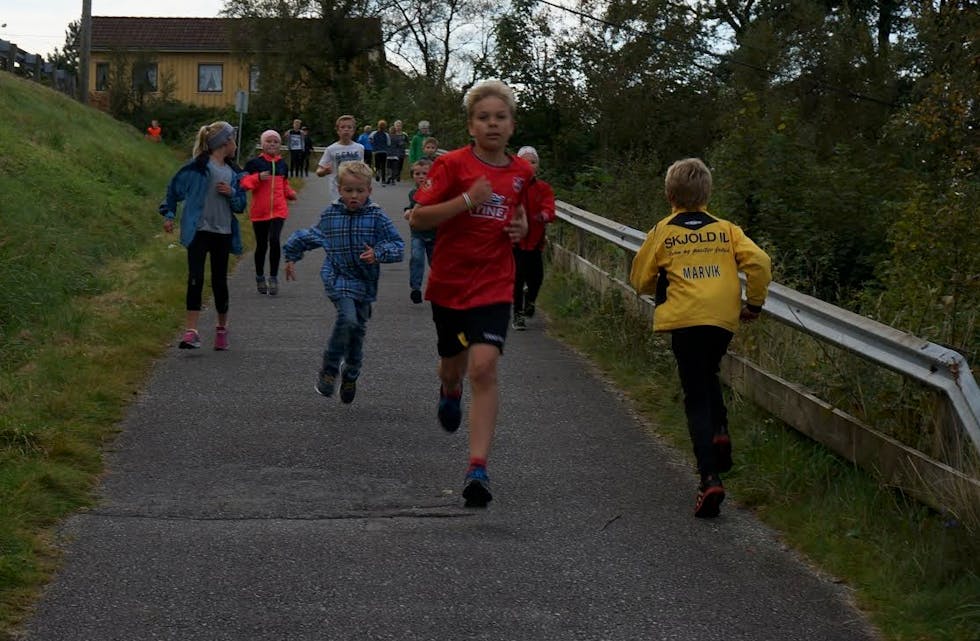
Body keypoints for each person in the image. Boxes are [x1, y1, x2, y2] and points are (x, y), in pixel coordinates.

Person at [408, 79, 533, 508]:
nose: (493, 124)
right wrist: (466, 200)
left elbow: (522, 216)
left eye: (500, 117)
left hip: (495, 283)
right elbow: (418, 219)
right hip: (449, 284)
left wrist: (524, 227)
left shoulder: (522, 172)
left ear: (512, 125)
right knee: (453, 367)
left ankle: (476, 467)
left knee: (484, 367)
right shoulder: (451, 166)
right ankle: (448, 391)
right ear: (471, 125)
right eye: (484, 118)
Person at [629, 157, 772, 519]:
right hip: (722, 318)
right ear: (707, 191)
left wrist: (660, 281)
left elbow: (640, 280)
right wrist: (753, 303)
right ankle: (720, 430)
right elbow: (760, 263)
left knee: (695, 394)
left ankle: (709, 478)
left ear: (669, 194)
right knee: (708, 372)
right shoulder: (727, 230)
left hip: (685, 317)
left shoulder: (663, 231)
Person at [283, 161, 404, 404]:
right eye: (349, 190)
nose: (354, 196)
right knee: (347, 319)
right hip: (337, 277)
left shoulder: (377, 217)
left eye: (360, 191)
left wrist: (378, 253)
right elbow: (311, 235)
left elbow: (398, 245)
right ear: (339, 189)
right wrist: (291, 255)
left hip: (365, 282)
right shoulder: (331, 214)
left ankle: (350, 374)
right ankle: (328, 370)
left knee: (357, 332)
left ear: (369, 190)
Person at [158, 121, 246, 351]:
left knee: (219, 281)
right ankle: (191, 332)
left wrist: (232, 192)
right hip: (199, 231)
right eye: (233, 140)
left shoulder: (234, 173)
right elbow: (173, 189)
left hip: (223, 232)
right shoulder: (196, 168)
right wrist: (168, 214)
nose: (235, 145)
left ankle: (221, 329)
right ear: (224, 143)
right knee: (195, 278)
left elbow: (240, 206)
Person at [241, 130, 297, 296]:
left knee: (274, 240)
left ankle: (273, 277)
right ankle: (259, 276)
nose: (272, 145)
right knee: (261, 245)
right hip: (260, 211)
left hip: (278, 210)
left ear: (280, 145)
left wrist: (290, 193)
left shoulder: (282, 165)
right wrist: (257, 178)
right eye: (269, 141)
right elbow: (244, 184)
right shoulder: (254, 164)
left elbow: (284, 184)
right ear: (262, 144)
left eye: (275, 142)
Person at [511, 146, 556, 330]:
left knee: (537, 278)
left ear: (538, 165)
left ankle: (530, 301)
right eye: (525, 161)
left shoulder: (543, 188)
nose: (529, 165)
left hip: (536, 242)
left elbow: (549, 208)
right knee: (517, 277)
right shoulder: (512, 186)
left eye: (533, 162)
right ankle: (517, 315)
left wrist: (544, 215)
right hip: (515, 241)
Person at [402, 158, 435, 304]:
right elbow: (412, 206)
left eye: (425, 173)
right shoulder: (413, 193)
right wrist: (408, 211)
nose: (421, 177)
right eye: (417, 174)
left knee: (437, 263)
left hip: (436, 233)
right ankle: (415, 288)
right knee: (416, 259)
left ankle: (438, 288)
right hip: (418, 233)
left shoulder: (438, 191)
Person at [316, 115, 365, 205]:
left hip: (356, 189)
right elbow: (318, 171)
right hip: (337, 189)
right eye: (343, 127)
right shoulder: (331, 149)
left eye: (349, 127)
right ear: (338, 131)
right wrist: (324, 171)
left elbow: (362, 169)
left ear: (353, 131)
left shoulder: (360, 148)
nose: (346, 130)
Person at [370, 120, 390, 184]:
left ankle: (377, 173)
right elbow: (389, 143)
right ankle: (383, 179)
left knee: (376, 164)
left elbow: (370, 139)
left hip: (376, 151)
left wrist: (374, 145)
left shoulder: (374, 133)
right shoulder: (386, 134)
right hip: (384, 151)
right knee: (383, 166)